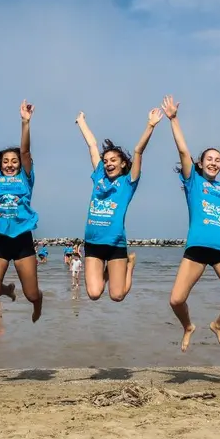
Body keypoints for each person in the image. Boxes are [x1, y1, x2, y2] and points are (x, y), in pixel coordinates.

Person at [161, 95, 220, 352]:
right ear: (200, 164)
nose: (213, 162)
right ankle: (188, 326)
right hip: (197, 249)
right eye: (208, 159)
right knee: (176, 300)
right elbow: (182, 151)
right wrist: (174, 119)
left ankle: (218, 324)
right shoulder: (194, 183)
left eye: (217, 160)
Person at [75, 106, 162, 301]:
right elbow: (92, 145)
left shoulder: (128, 182)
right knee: (94, 293)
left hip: (116, 244)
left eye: (113, 160)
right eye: (105, 161)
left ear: (123, 163)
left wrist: (150, 125)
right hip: (93, 243)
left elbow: (138, 151)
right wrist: (81, 122)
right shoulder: (99, 175)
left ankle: (129, 265)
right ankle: (107, 272)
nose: (108, 163)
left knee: (117, 296)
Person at [0, 100, 43, 322]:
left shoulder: (25, 178)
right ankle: (6, 290)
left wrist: (25, 122)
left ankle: (39, 302)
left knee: (31, 293)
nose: (9, 164)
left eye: (13, 161)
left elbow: (25, 151)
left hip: (22, 239)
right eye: (5, 161)